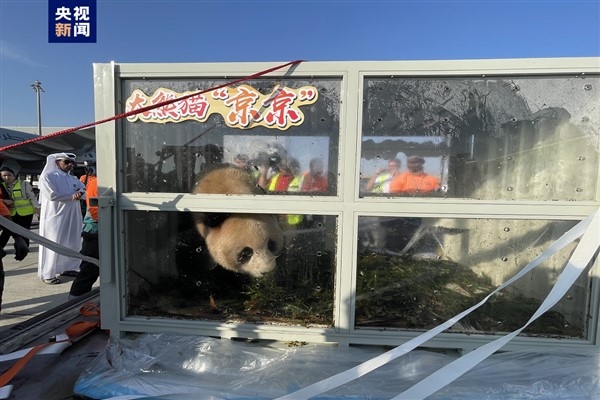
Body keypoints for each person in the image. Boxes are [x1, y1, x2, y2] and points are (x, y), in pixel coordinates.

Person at [38, 152, 86, 285]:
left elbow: (83, 190)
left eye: (72, 163)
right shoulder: (47, 176)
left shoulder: (73, 178)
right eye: (66, 162)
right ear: (56, 162)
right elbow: (52, 195)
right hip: (55, 216)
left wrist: (79, 193)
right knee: (54, 242)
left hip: (72, 214)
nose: (70, 165)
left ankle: (69, 267)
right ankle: (48, 274)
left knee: (72, 240)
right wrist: (72, 195)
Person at [69, 165, 99, 299]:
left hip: (106, 231)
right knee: (89, 269)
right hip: (95, 232)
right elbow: (96, 212)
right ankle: (75, 301)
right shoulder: (96, 184)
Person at [0, 167, 40, 250]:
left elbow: (32, 197)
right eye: (4, 175)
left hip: (26, 213)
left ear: (14, 175)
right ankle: (1, 246)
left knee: (25, 231)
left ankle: (24, 248)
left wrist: (37, 208)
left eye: (9, 175)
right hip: (11, 213)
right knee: (8, 230)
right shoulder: (2, 186)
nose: (7, 177)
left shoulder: (24, 184)